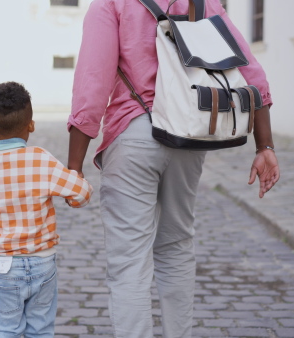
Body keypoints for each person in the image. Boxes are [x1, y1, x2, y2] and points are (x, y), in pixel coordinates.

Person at [67, 1, 280, 337]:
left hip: (134, 133)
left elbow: (92, 82)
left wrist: (74, 166)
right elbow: (250, 71)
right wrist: (264, 146)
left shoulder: (111, 4)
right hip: (187, 134)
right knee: (177, 247)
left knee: (129, 262)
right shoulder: (202, 3)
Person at [0, 81, 93, 337]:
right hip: (42, 263)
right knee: (41, 330)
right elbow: (81, 193)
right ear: (31, 125)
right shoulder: (40, 159)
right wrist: (73, 190)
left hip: (4, 265)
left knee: (4, 330)